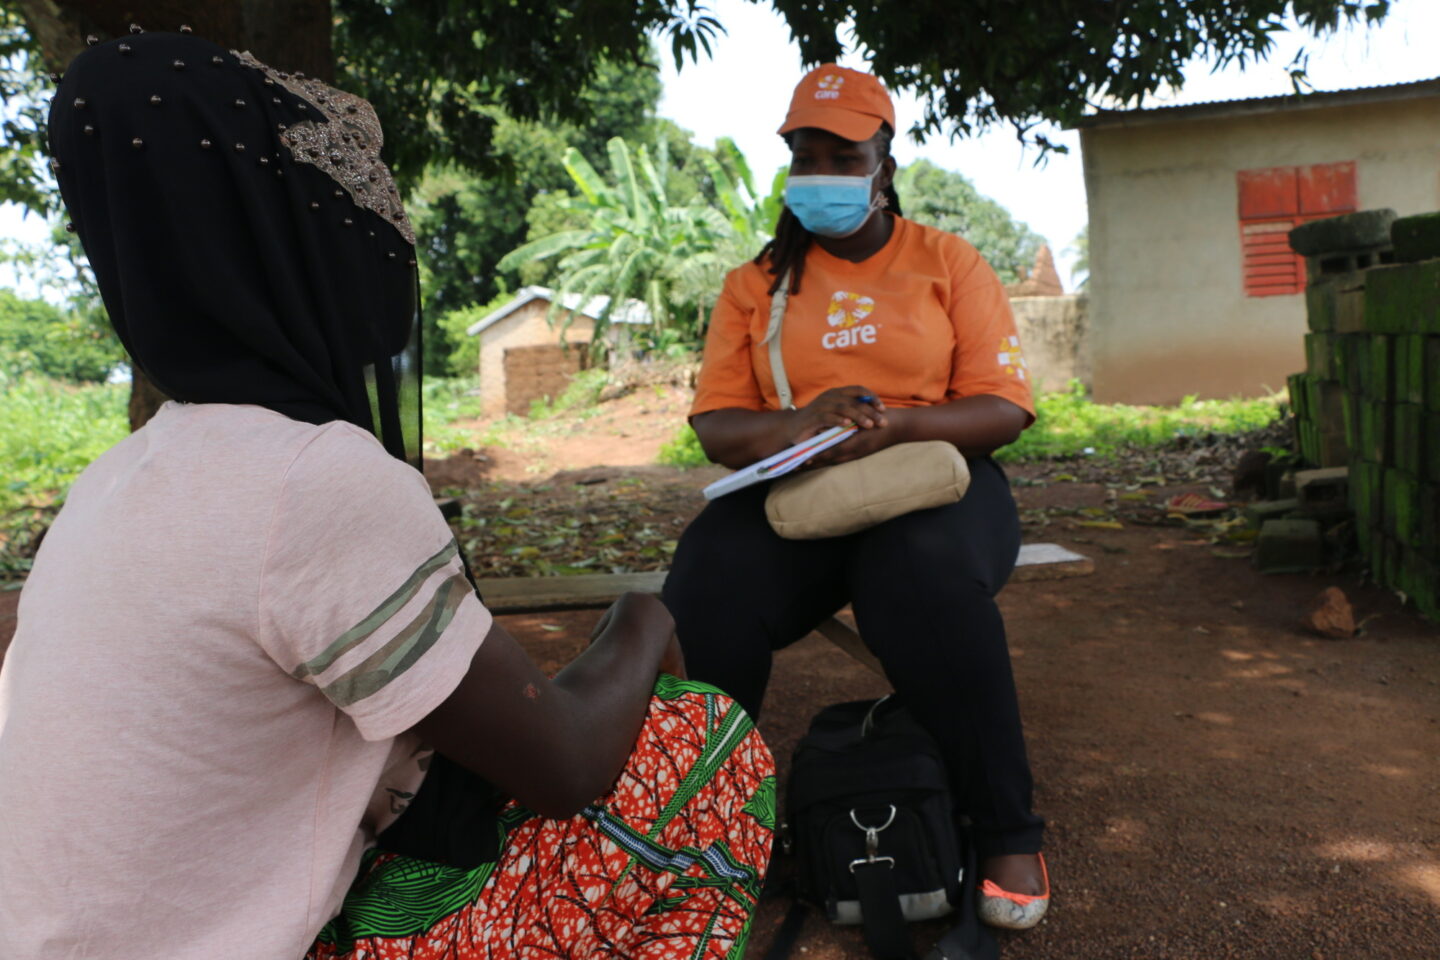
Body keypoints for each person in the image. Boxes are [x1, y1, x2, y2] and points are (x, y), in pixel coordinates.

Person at [0, 32, 773, 960]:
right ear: (296, 248)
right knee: (694, 736)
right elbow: (565, 763)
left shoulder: (117, 478)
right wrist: (644, 619)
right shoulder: (308, 478)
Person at [662, 64, 1050, 931]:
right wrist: (803, 420)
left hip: (933, 477)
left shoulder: (948, 261)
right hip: (798, 487)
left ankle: (1005, 830)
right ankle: (710, 824)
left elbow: (1005, 409)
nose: (822, 171)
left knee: (921, 579)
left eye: (843, 154)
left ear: (883, 160)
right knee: (706, 584)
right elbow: (720, 428)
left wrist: (897, 428)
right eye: (806, 154)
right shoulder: (755, 283)